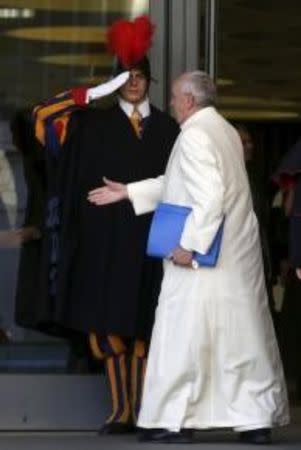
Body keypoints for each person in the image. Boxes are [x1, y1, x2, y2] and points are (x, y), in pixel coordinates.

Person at [88, 71, 289, 444]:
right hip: (234, 254)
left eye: (177, 98)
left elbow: (209, 194)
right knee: (238, 336)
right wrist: (129, 191)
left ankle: (175, 419)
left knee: (182, 333)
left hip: (205, 254)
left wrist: (191, 246)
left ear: (190, 101)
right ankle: (253, 418)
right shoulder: (223, 130)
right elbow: (180, 181)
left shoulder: (195, 134)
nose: (172, 105)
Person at [20, 16, 179, 433]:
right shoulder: (89, 124)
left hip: (150, 242)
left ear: (150, 80)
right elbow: (39, 117)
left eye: (139, 76)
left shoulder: (169, 128)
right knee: (108, 332)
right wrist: (92, 94)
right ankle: (120, 411)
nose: (132, 83)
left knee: (146, 329)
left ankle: (145, 410)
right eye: (124, 77)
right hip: (100, 243)